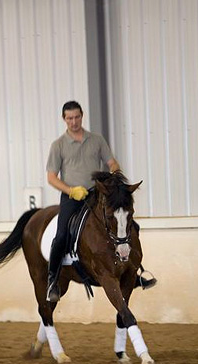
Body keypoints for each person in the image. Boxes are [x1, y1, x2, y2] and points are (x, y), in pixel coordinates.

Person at [46, 100, 156, 303]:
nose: (74, 121)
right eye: (69, 118)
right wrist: (71, 190)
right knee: (61, 234)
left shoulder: (96, 140)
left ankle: (134, 272)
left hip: (97, 194)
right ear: (64, 119)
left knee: (132, 226)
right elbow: (51, 177)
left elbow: (112, 162)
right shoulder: (58, 145)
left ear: (82, 116)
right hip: (72, 196)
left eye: (77, 117)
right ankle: (52, 280)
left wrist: (115, 177)